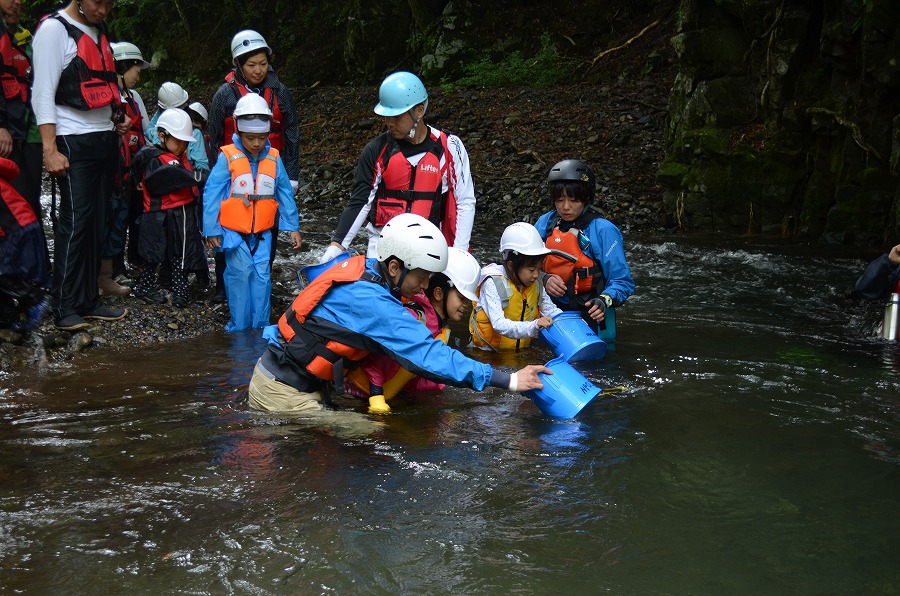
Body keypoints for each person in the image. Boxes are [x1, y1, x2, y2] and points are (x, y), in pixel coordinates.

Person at [249, 213, 549, 413]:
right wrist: (508, 381)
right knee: (367, 436)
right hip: (283, 393)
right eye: (420, 276)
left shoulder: (367, 270)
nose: (424, 286)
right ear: (395, 267)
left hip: (293, 380)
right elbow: (430, 356)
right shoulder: (373, 303)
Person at [33, 0, 130, 331]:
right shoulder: (53, 31)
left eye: (109, 4)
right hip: (72, 139)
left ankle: (88, 299)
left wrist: (118, 117)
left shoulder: (98, 29)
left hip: (104, 137)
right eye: (98, 2)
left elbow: (105, 84)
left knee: (98, 221)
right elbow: (42, 94)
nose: (104, 10)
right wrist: (49, 149)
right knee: (75, 222)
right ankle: (63, 305)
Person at [320, 71, 475, 263]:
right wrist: (336, 247)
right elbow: (360, 202)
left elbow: (464, 202)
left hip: (427, 249)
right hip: (383, 247)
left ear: (419, 111)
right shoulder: (376, 150)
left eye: (396, 116)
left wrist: (459, 255)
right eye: (386, 116)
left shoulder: (449, 147)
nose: (389, 123)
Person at [209, 29, 300, 305]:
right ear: (238, 64)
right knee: (230, 226)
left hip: (269, 170)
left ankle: (261, 281)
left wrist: (292, 176)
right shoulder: (224, 95)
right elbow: (214, 137)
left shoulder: (281, 92)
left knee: (266, 225)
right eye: (251, 65)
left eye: (262, 63)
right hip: (233, 171)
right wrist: (218, 176)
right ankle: (224, 287)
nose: (258, 70)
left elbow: (292, 134)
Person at [202, 93, 301, 332]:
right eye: (250, 138)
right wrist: (211, 229)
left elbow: (285, 192)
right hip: (234, 233)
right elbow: (212, 193)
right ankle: (239, 328)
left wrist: (293, 226)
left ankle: (258, 328)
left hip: (263, 234)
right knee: (238, 276)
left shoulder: (274, 157)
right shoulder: (227, 156)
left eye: (262, 137)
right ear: (237, 129)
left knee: (262, 278)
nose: (257, 143)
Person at [345, 246, 482, 413]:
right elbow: (374, 359)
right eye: (461, 298)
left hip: (391, 394)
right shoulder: (413, 318)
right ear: (439, 293)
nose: (465, 306)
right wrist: (376, 396)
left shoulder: (439, 327)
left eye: (468, 301)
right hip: (360, 392)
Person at [536, 160, 635, 331]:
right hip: (549, 311)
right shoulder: (545, 223)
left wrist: (605, 300)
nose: (566, 207)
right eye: (560, 200)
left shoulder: (603, 230)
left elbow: (622, 281)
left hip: (589, 311)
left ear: (586, 198)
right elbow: (523, 266)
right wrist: (544, 278)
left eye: (574, 200)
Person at [130, 108, 206, 308]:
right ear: (162, 136)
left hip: (180, 212)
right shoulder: (154, 158)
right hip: (159, 214)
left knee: (179, 252)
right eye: (177, 141)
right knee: (154, 254)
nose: (181, 146)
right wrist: (196, 178)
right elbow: (163, 181)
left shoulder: (179, 157)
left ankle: (179, 289)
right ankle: (146, 287)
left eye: (185, 142)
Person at [0, 0, 47, 273]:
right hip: (7, 133)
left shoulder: (28, 41)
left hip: (30, 134)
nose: (16, 2)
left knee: (29, 201)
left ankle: (34, 270)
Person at [100, 40, 150, 297]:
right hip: (114, 171)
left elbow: (147, 131)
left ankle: (123, 268)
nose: (138, 76)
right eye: (136, 70)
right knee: (111, 220)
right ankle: (109, 272)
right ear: (122, 67)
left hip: (133, 169)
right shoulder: (107, 98)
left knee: (126, 219)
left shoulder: (135, 97)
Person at [470, 221, 562, 351]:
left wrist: (570, 323)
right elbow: (499, 325)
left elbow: (551, 310)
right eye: (531, 270)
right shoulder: (492, 283)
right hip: (489, 354)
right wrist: (534, 326)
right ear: (511, 265)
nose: (536, 275)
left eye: (539, 269)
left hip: (521, 351)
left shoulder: (535, 283)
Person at [0, 156, 48, 331]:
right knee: (8, 273)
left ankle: (36, 300)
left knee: (4, 274)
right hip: (21, 224)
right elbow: (13, 168)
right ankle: (8, 320)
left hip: (13, 228)